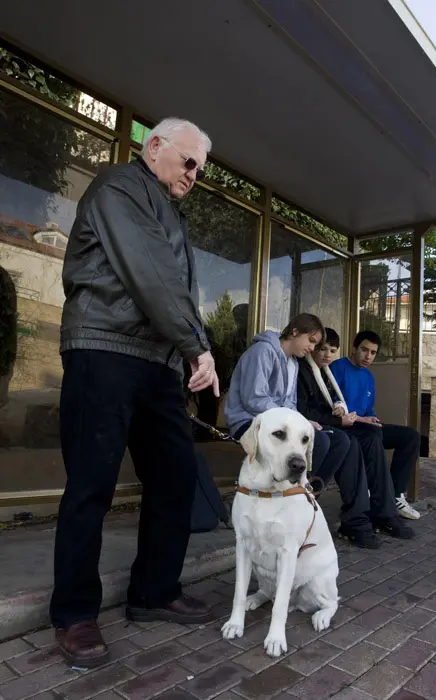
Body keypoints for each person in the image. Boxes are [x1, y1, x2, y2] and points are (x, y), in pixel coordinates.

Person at [50, 117, 220, 668]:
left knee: (175, 474)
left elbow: (171, 288)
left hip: (156, 361)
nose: (194, 174)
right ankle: (75, 615)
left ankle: (155, 591)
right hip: (102, 347)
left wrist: (185, 350)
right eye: (187, 161)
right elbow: (150, 274)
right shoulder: (119, 187)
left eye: (200, 168)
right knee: (91, 484)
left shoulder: (170, 208)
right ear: (154, 147)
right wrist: (198, 345)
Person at [224, 314, 381, 548]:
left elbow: (289, 402)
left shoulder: (292, 363)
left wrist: (303, 421)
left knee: (339, 440)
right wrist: (292, 419)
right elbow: (253, 399)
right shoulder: (262, 352)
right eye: (312, 340)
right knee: (322, 443)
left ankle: (303, 496)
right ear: (295, 332)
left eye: (316, 344)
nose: (312, 348)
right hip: (250, 422)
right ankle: (284, 496)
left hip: (279, 423)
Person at [297, 328, 414, 541]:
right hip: (340, 427)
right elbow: (309, 408)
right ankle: (365, 515)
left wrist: (365, 417)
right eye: (322, 348)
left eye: (332, 350)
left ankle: (388, 504)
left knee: (407, 436)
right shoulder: (327, 369)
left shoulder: (331, 373)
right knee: (356, 441)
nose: (327, 355)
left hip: (353, 425)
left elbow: (337, 401)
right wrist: (344, 417)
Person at [331, 330, 421, 520]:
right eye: (364, 350)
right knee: (373, 436)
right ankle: (378, 496)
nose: (368, 356)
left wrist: (373, 419)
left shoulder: (369, 377)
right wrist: (362, 420)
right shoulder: (338, 368)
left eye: (373, 352)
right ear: (354, 348)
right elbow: (333, 405)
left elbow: (368, 410)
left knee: (410, 436)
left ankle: (395, 495)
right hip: (346, 426)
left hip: (366, 425)